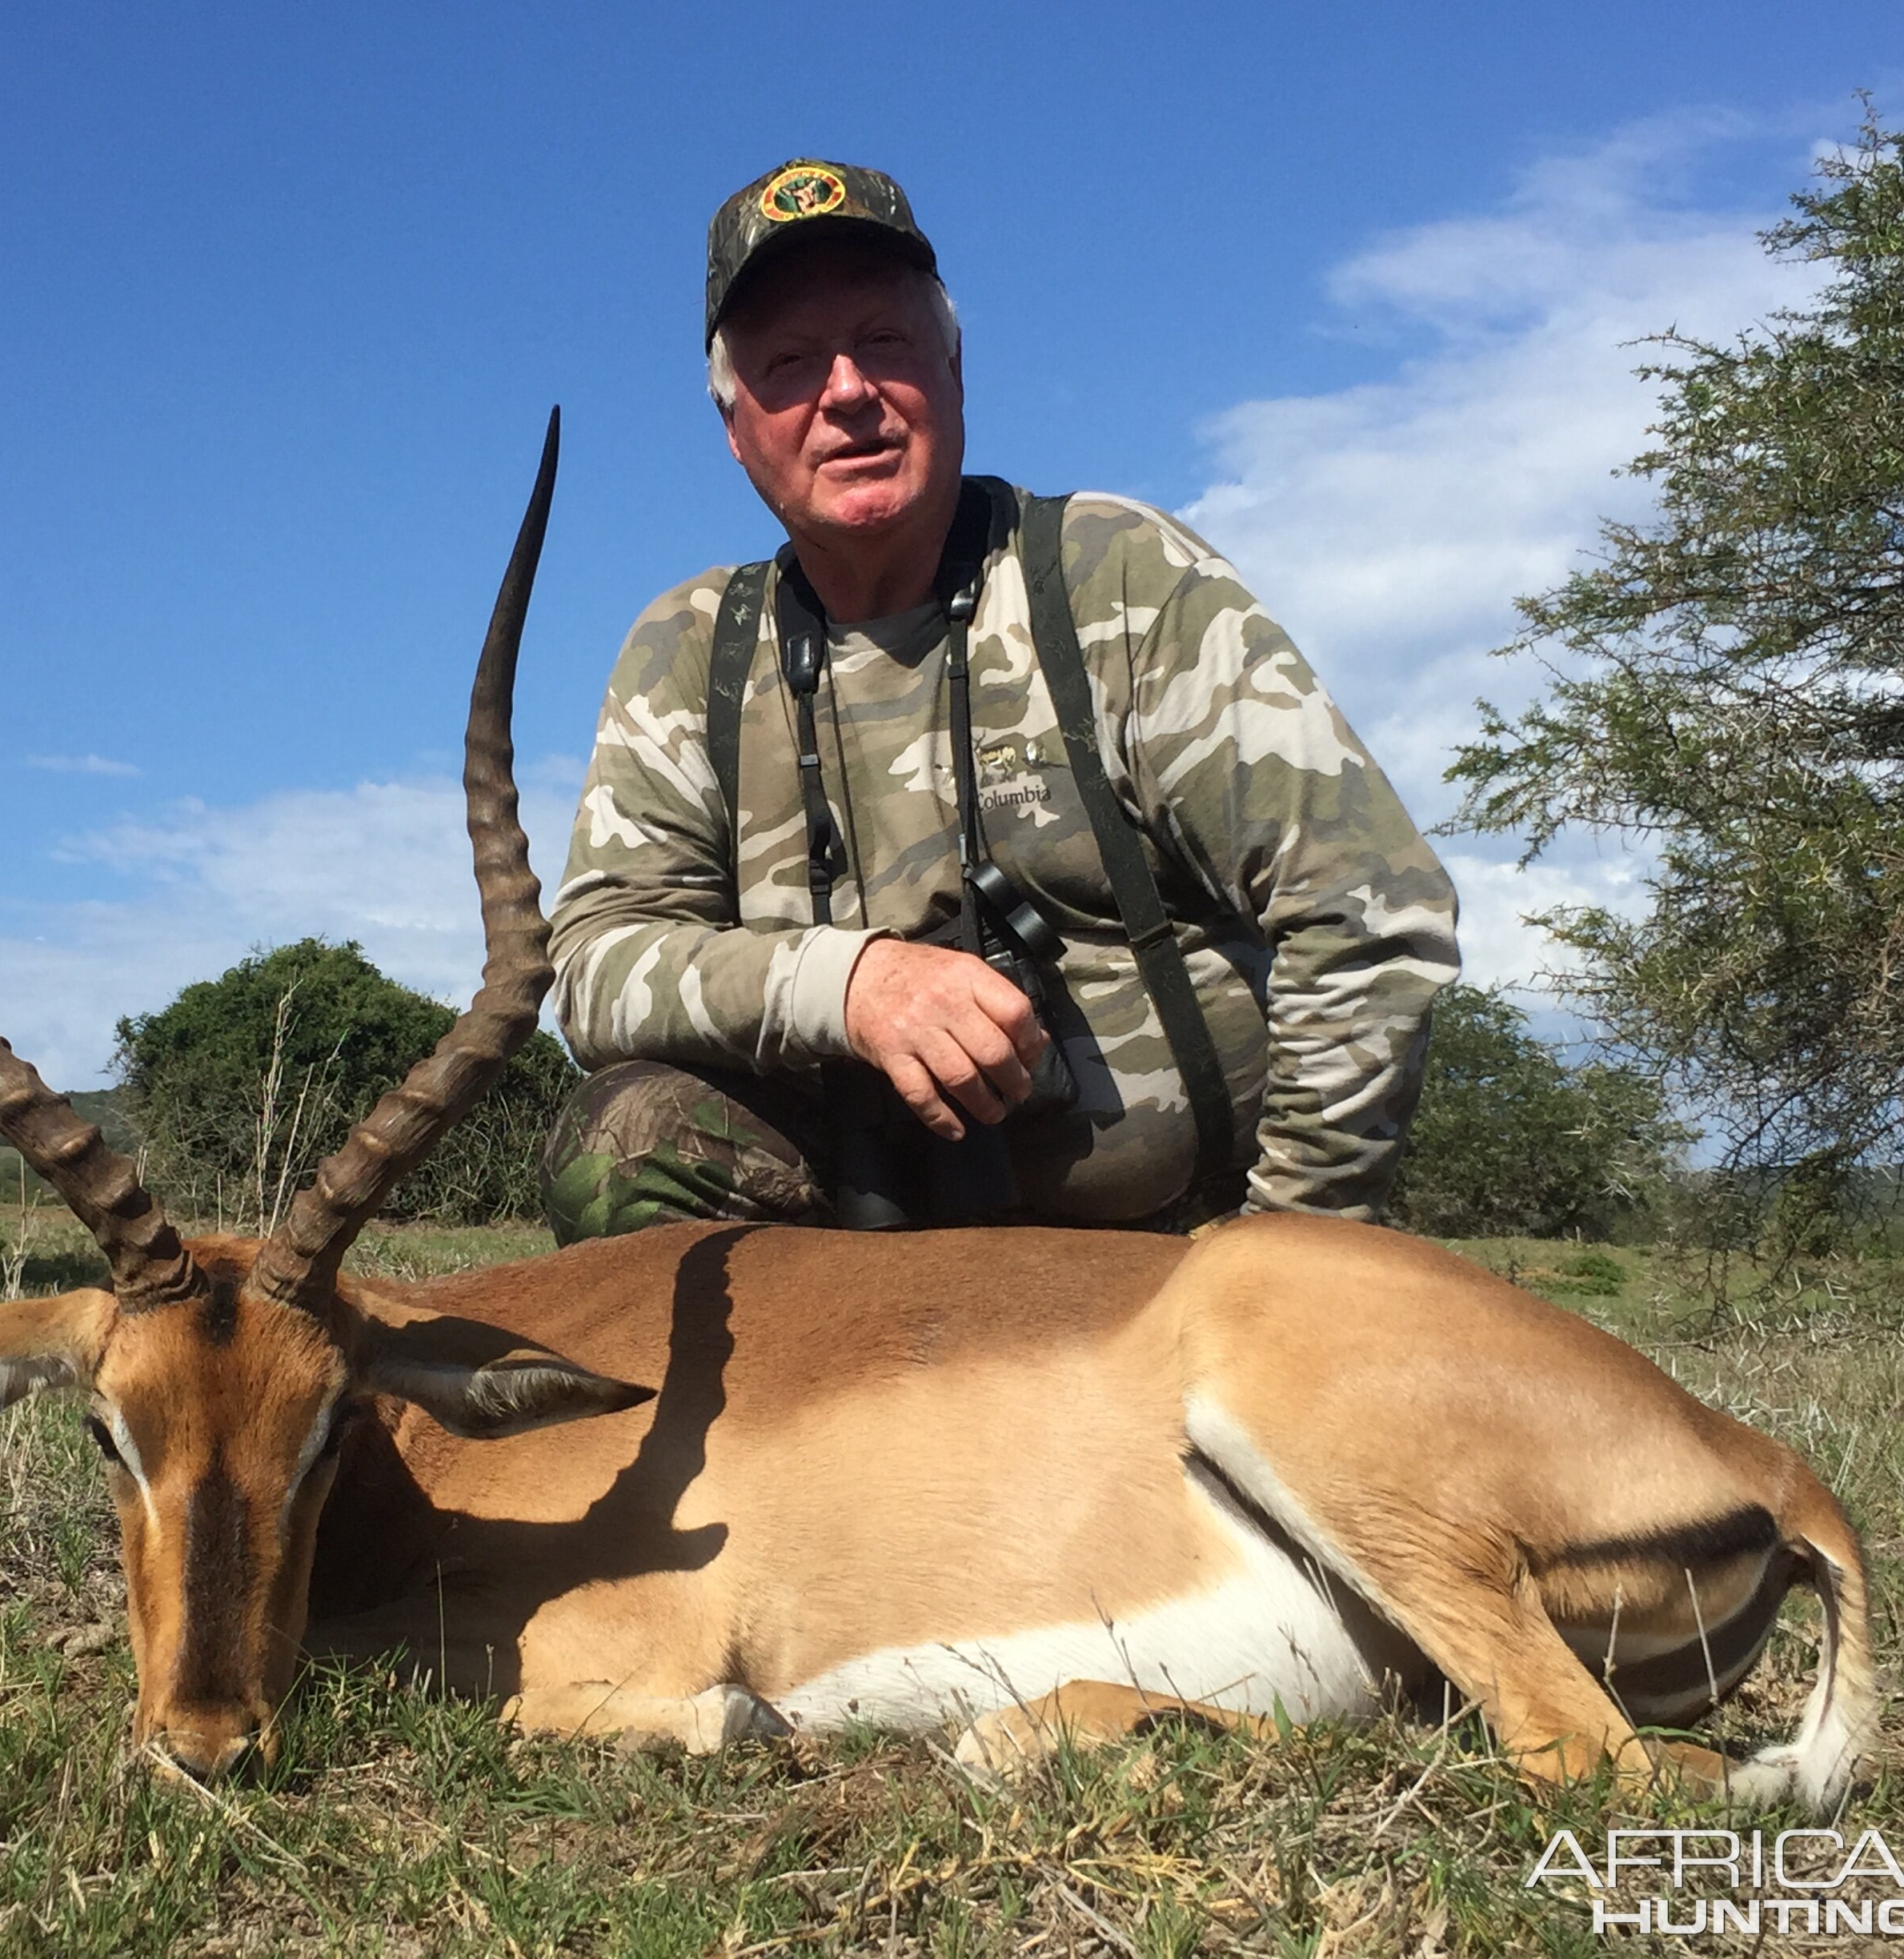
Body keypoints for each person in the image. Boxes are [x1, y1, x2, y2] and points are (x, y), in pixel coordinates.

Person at [540, 158, 1459, 1242]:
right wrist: (849, 984)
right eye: (789, 364)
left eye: (884, 342)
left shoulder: (1115, 574)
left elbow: (1368, 909)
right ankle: (809, 1404)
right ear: (738, 429)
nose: (845, 392)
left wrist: (1296, 1249)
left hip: (1189, 1256)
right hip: (847, 1248)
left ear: (955, 368)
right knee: (626, 1139)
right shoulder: (693, 647)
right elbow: (596, 968)